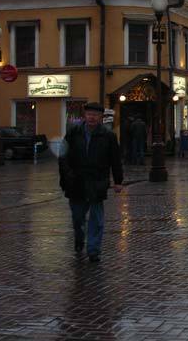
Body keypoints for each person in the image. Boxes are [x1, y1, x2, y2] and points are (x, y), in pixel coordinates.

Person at [58, 102, 123, 263]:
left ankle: (94, 250)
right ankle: (79, 239)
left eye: (95, 115)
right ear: (84, 116)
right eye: (89, 114)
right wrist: (67, 176)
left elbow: (115, 159)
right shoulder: (73, 133)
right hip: (77, 181)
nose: (92, 117)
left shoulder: (108, 136)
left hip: (97, 180)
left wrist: (118, 180)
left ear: (101, 117)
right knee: (78, 217)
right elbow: (63, 156)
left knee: (96, 219)